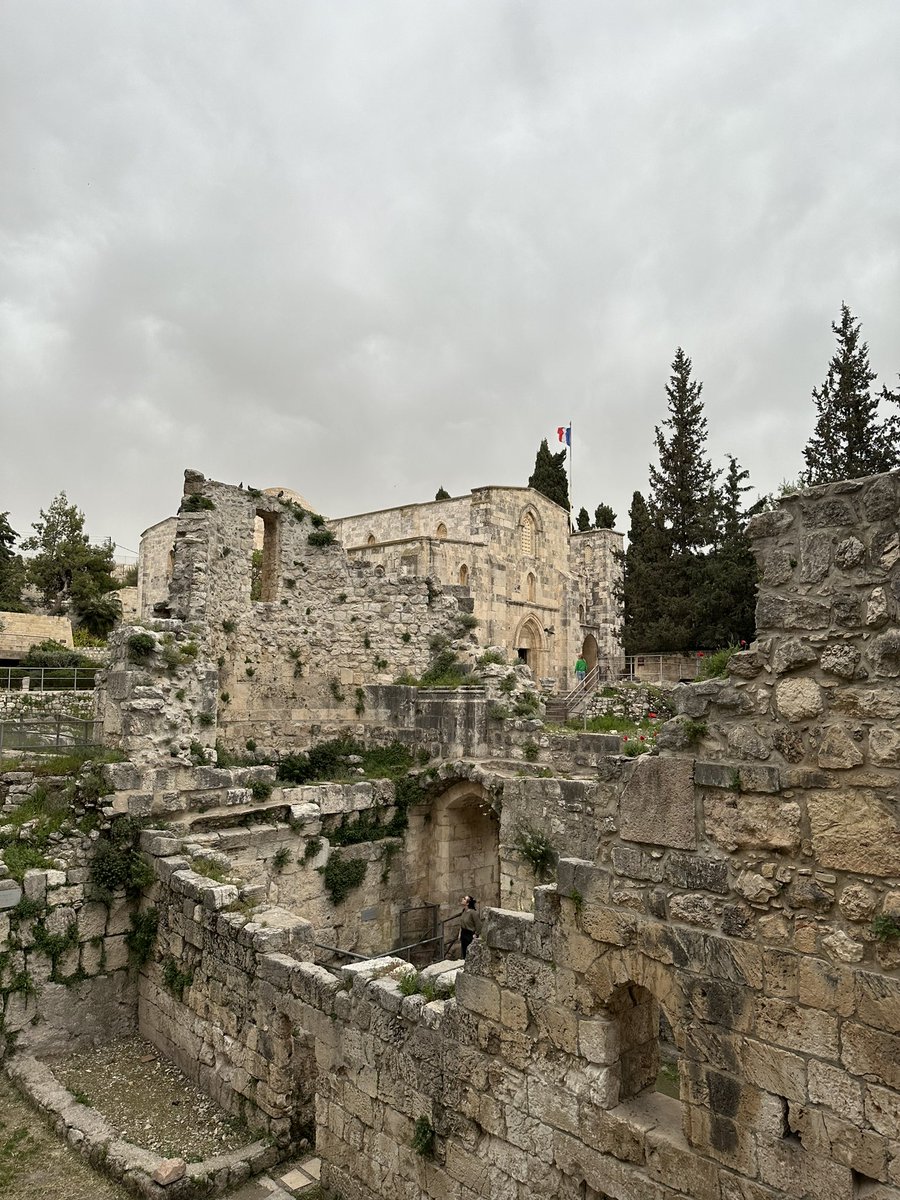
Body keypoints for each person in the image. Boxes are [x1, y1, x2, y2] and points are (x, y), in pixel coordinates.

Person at [459, 894, 480, 959]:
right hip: (463, 933)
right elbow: (462, 923)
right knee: (464, 951)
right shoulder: (463, 911)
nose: (462, 899)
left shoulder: (473, 913)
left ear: (467, 903)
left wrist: (476, 934)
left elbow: (478, 925)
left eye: (464, 899)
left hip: (469, 934)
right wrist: (459, 933)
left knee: (470, 953)